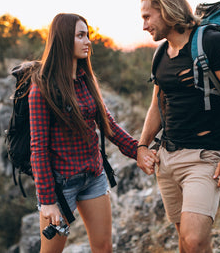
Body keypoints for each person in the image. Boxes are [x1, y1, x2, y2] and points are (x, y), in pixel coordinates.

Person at [137, 0, 220, 253]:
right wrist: (142, 145)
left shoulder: (212, 43)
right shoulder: (161, 53)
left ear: (166, 10)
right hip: (167, 160)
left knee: (193, 239)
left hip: (204, 158)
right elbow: (157, 104)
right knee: (187, 241)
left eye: (147, 17)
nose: (144, 25)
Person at [28, 13, 140, 253]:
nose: (88, 41)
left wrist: (136, 150)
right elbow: (37, 147)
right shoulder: (42, 88)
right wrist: (48, 200)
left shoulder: (85, 78)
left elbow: (106, 122)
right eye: (80, 36)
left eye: (87, 35)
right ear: (63, 39)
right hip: (60, 185)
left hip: (94, 177)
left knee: (103, 248)